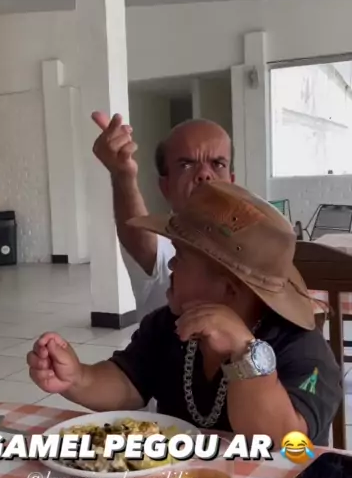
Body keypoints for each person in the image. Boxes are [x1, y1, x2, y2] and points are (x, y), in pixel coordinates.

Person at [28, 182, 341, 446]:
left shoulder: (302, 349)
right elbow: (128, 383)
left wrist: (244, 352)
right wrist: (78, 378)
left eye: (180, 256)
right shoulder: (167, 324)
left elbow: (281, 443)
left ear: (229, 290)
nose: (170, 265)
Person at [91, 112, 233, 319]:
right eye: (186, 165)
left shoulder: (253, 244)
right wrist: (123, 175)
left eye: (218, 164)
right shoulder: (165, 243)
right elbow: (140, 239)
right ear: (165, 186)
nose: (204, 174)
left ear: (232, 180)